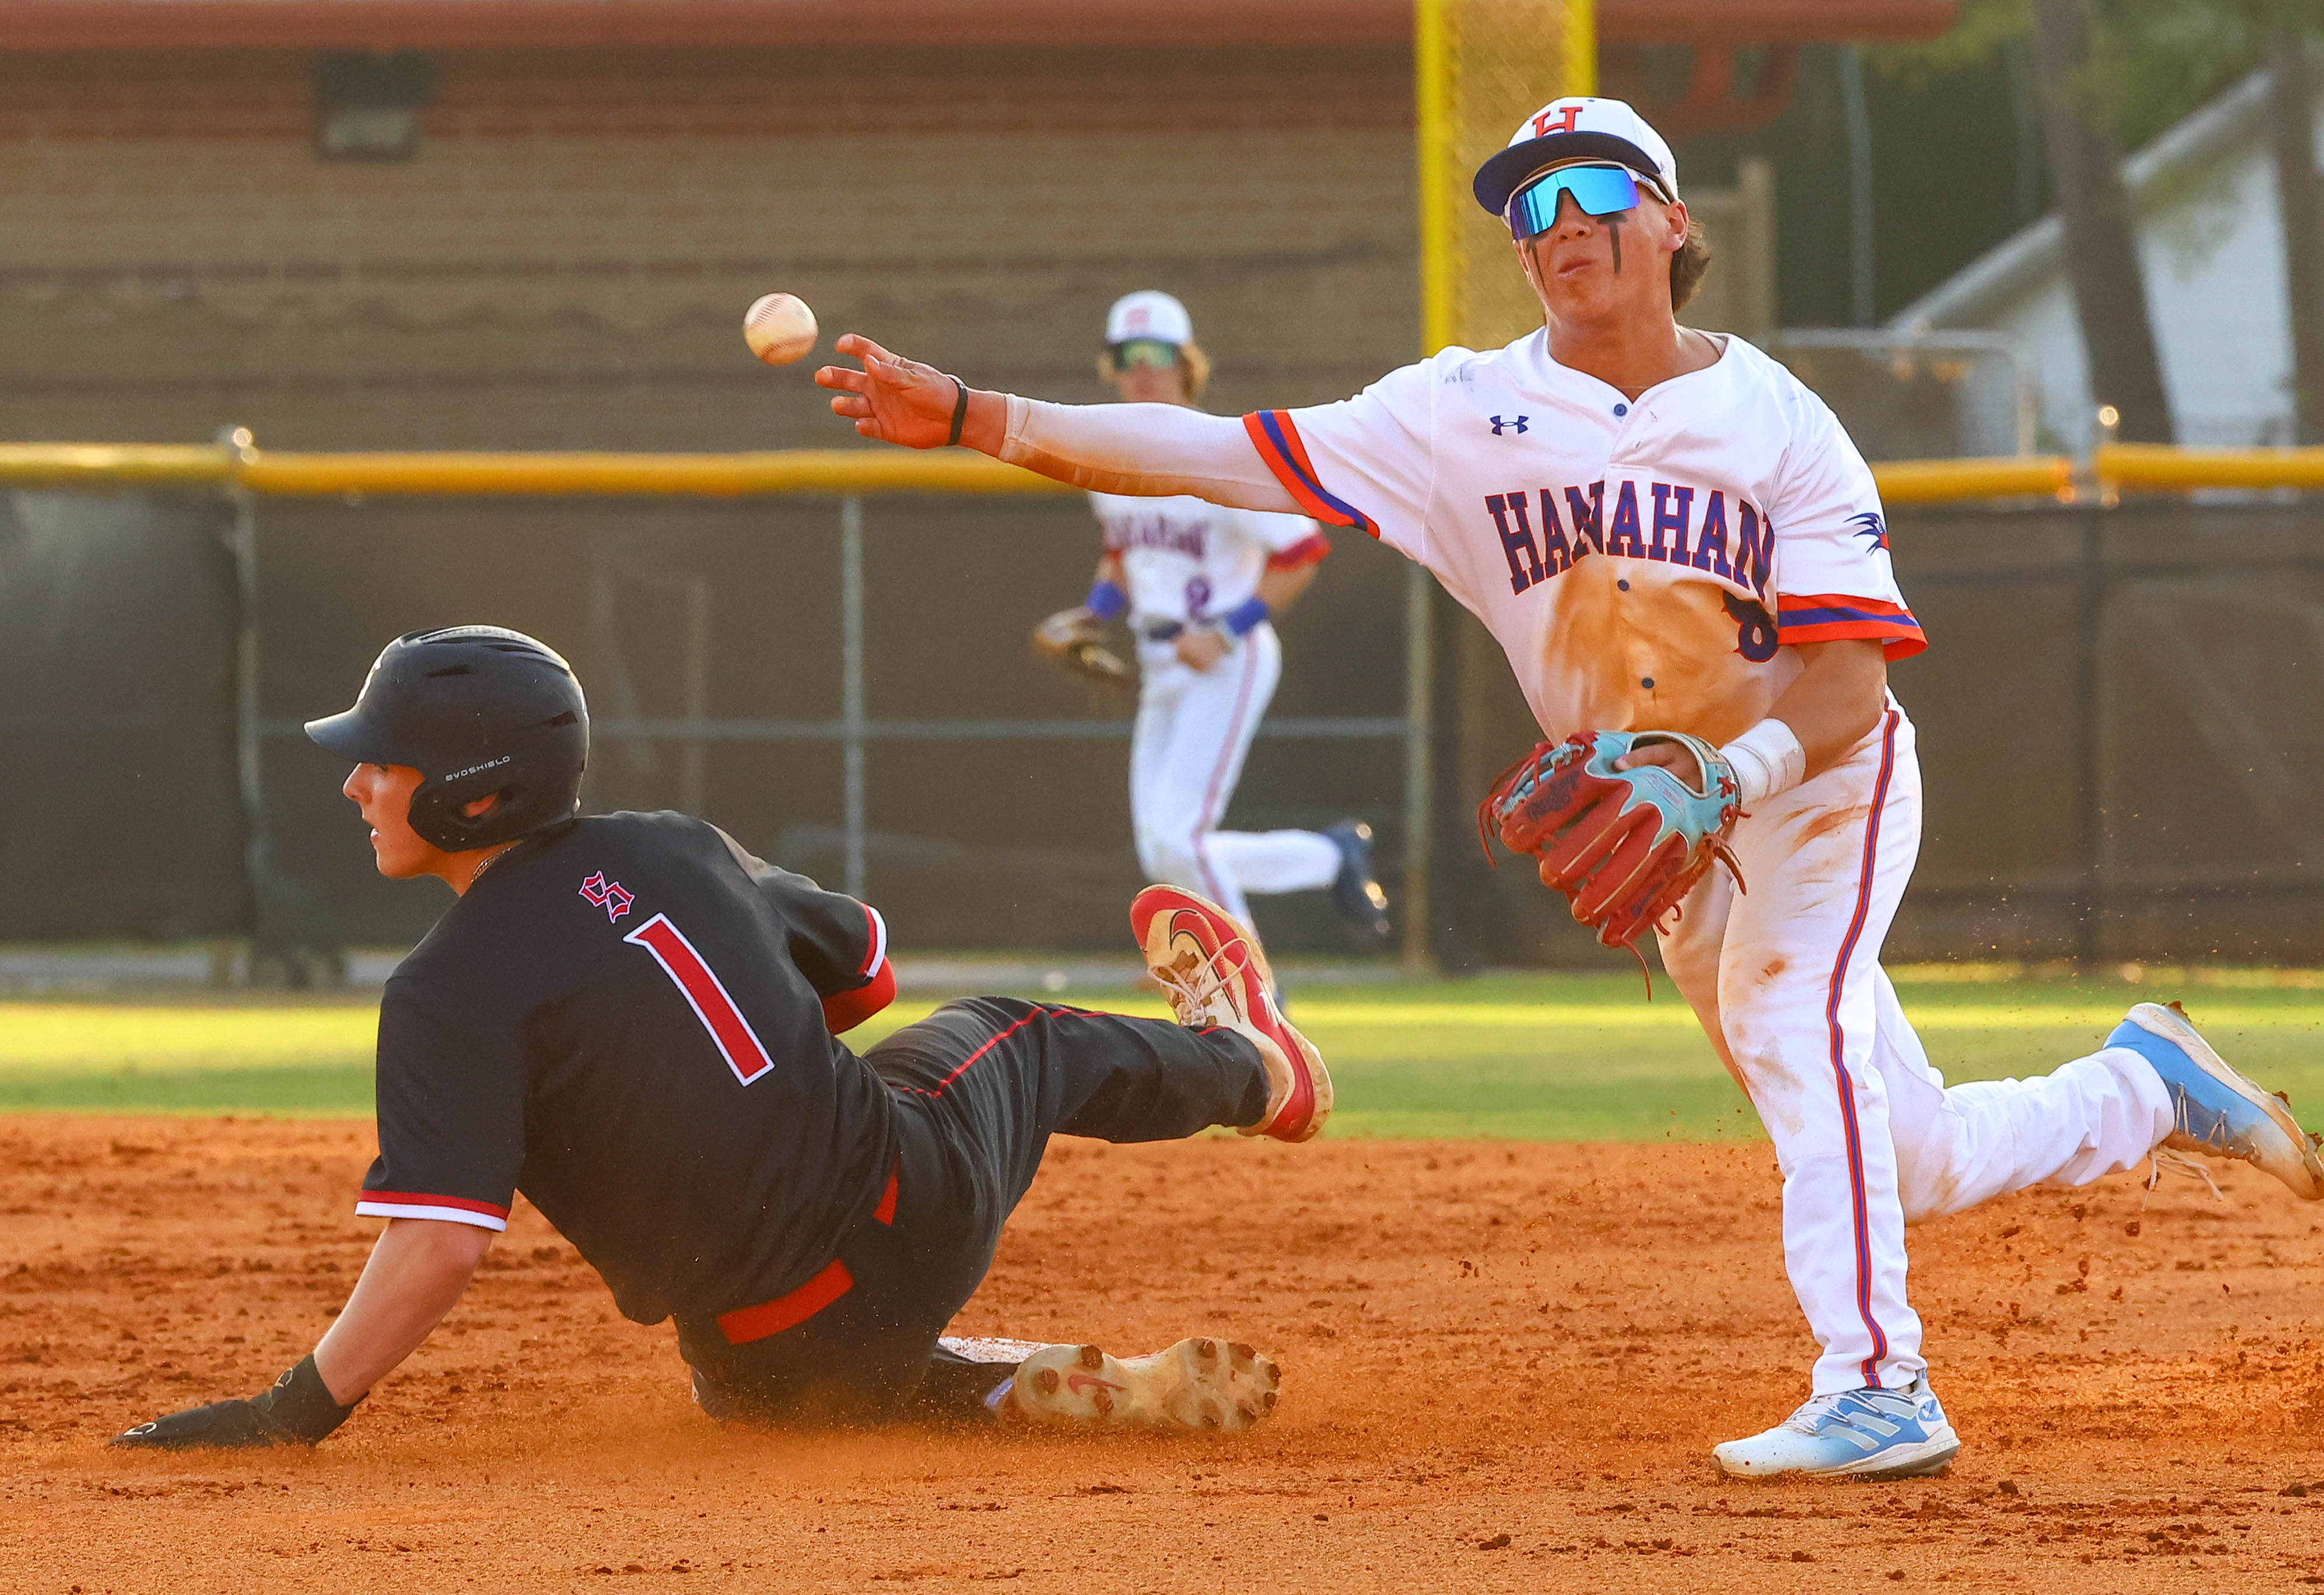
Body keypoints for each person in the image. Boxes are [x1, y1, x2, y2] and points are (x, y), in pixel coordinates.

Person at [815, 96, 2324, 1480]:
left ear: (1673, 224)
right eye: (1528, 206)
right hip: (1667, 846)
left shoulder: (1780, 426)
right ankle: (2144, 1086)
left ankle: (1879, 1385)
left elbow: (1850, 683)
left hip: (1816, 786)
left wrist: (1721, 780)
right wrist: (973, 414)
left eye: (1596, 186)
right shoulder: (1454, 417)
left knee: (1796, 1032)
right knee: (1895, 1150)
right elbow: (1217, 454)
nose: (1560, 223)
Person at [112, 625, 1329, 1450]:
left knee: (794, 1348)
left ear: (470, 793)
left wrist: (289, 1414)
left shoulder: (440, 995)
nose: (354, 786)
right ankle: (1256, 1070)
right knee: (1010, 1035)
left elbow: (439, 1242)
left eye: (380, 764)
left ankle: (998, 1370)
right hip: (912, 1216)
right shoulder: (674, 846)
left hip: (751, 1365)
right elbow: (864, 971)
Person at [1046, 289, 1392, 945]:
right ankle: (1329, 856)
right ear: (1111, 367)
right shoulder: (1100, 459)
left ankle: (1256, 999)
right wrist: (1094, 615)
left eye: (1155, 353)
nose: (1141, 367)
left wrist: (1226, 629)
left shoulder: (1216, 453)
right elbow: (1124, 551)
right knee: (1162, 851)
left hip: (1225, 658)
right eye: (1126, 354)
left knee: (1180, 839)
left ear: (1185, 363)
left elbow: (1301, 551)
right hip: (1160, 661)